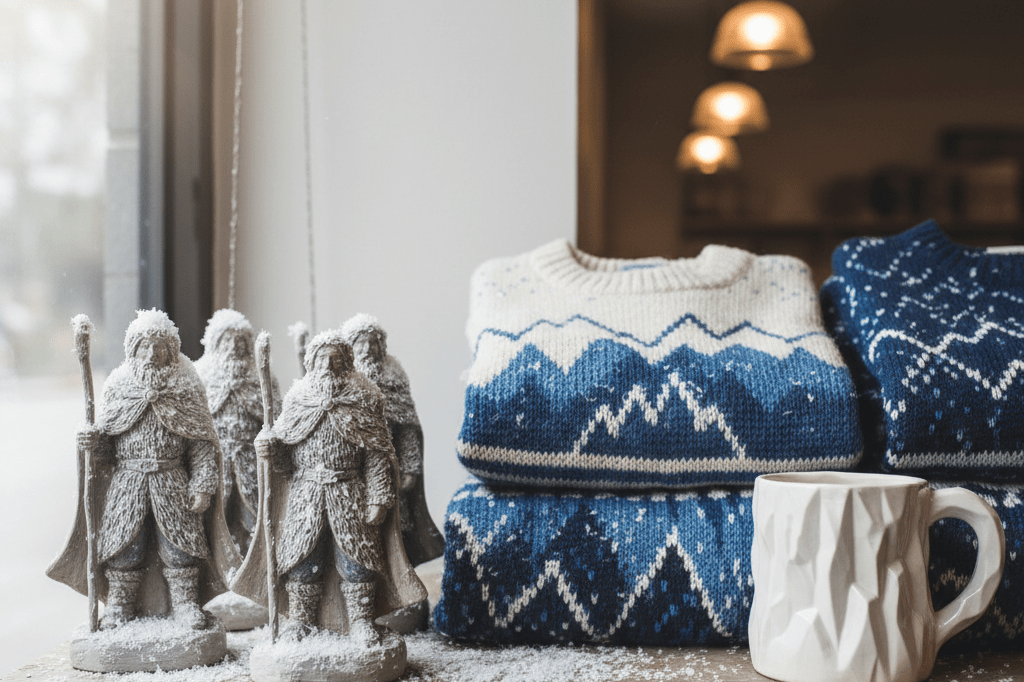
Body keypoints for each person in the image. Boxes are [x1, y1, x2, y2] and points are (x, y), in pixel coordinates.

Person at [232, 330, 425, 644]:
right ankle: (300, 620)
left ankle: (361, 620)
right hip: (306, 494)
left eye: (336, 358)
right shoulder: (299, 399)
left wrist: (378, 495)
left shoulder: (364, 397)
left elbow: (376, 452)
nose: (328, 364)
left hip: (348, 492)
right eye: (322, 358)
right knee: (303, 560)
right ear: (311, 363)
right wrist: (270, 449)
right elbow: (285, 462)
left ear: (347, 361)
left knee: (357, 559)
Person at [48, 309, 237, 630]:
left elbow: (202, 443)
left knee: (180, 546)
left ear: (171, 351)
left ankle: (186, 604)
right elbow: (106, 450)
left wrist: (203, 484)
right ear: (132, 349)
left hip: (172, 480)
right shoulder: (119, 386)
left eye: (160, 347)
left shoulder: (186, 386)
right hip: (128, 482)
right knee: (125, 546)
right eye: (144, 346)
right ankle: (121, 606)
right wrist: (91, 441)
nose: (152, 353)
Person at [341, 313, 443, 567]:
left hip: (389, 466)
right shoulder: (342, 380)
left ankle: (397, 575)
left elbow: (408, 429)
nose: (367, 349)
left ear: (381, 346)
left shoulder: (394, 378)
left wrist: (409, 469)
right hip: (353, 469)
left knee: (395, 525)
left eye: (373, 342)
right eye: (360, 343)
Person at [194, 309, 279, 554]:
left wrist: (270, 439)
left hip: (251, 465)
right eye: (227, 340)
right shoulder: (201, 378)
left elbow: (278, 420)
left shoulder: (262, 378)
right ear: (215, 344)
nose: (234, 346)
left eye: (240, 340)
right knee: (217, 522)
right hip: (215, 465)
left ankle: (254, 567)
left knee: (255, 520)